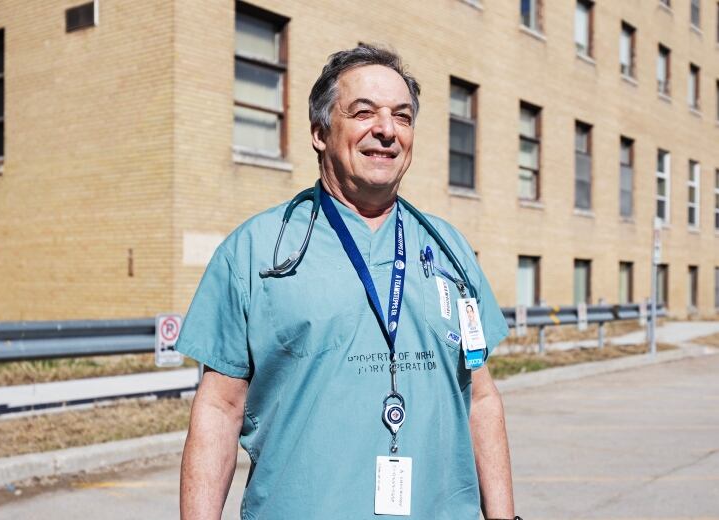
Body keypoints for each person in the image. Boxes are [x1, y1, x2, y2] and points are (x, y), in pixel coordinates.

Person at [177, 44, 519, 520]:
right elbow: (219, 409)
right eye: (364, 113)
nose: (386, 130)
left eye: (402, 116)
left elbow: (479, 396)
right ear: (320, 132)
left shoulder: (451, 251)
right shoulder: (257, 252)